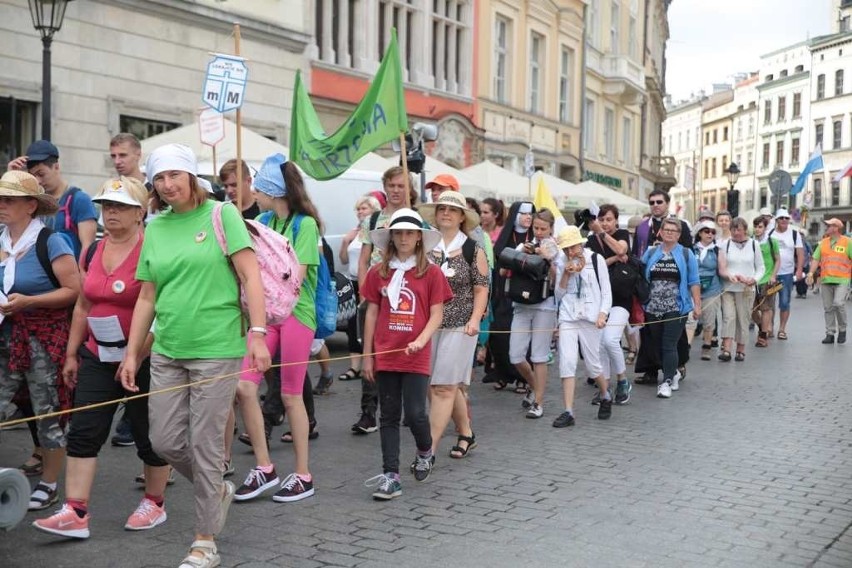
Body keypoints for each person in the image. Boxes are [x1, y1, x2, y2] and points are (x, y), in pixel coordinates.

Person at [120, 144, 271, 568]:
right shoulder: (156, 226)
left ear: (191, 177)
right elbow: (148, 295)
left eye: (175, 175)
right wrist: (133, 353)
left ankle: (204, 541)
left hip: (217, 348)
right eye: (160, 179)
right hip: (168, 348)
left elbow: (251, 275)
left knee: (206, 446)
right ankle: (216, 488)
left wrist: (257, 335)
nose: (168, 185)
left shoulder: (222, 215)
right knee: (164, 440)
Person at [33, 177, 172, 538]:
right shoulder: (91, 250)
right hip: (97, 353)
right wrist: (71, 354)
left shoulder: (154, 249)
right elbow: (83, 304)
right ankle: (75, 511)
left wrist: (138, 353)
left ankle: (154, 502)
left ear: (141, 212)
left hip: (144, 355)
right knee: (84, 429)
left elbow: (161, 309)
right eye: (106, 205)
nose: (110, 212)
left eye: (120, 206)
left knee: (148, 433)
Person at [235, 153, 321, 504]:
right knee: (244, 387)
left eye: (259, 187)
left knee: (290, 394)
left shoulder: (306, 225)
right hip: (267, 315)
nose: (253, 192)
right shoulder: (263, 220)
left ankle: (303, 475)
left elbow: (295, 279)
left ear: (274, 190)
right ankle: (265, 466)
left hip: (297, 314)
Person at [0, 171, 79, 509]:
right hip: (6, 335)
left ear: (31, 206)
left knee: (48, 411)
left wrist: (30, 301)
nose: (1, 205)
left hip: (43, 338)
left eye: (9, 200)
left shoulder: (51, 240)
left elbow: (74, 291)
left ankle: (49, 484)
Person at [361, 208, 452, 499]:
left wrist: (421, 339)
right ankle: (391, 476)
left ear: (419, 238)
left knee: (415, 413)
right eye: (398, 233)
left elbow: (437, 314)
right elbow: (372, 313)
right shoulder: (378, 273)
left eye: (409, 233)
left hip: (416, 354)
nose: (403, 238)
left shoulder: (432, 273)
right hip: (386, 352)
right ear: (390, 238)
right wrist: (367, 355)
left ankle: (425, 450)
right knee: (388, 414)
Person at [419, 191, 488, 459]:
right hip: (428, 324)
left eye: (452, 209)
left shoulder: (473, 249)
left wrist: (474, 320)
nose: (446, 213)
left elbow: (481, 290)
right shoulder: (424, 247)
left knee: (444, 386)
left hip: (461, 325)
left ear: (462, 217)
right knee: (435, 384)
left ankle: (428, 450)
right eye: (441, 209)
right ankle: (466, 432)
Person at [354, 166, 415, 435]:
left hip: (404, 296)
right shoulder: (373, 219)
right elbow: (364, 257)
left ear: (409, 188)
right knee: (370, 346)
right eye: (392, 185)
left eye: (401, 186)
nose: (396, 190)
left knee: (402, 347)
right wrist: (362, 287)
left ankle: (404, 406)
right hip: (377, 291)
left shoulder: (415, 218)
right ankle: (369, 411)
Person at [552, 225, 613, 428]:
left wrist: (603, 314)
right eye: (566, 248)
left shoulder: (596, 259)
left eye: (573, 247)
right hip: (568, 316)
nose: (570, 252)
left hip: (590, 317)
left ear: (581, 243)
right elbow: (558, 296)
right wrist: (566, 275)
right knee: (567, 362)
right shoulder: (561, 262)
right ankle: (568, 410)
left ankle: (605, 394)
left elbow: (606, 291)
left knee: (592, 364)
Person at [637, 218, 701, 399]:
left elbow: (694, 281)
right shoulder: (650, 253)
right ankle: (673, 373)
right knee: (656, 343)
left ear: (679, 235)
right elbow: (641, 276)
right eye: (667, 229)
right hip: (652, 306)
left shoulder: (687, 254)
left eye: (674, 230)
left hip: (676, 307)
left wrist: (697, 306)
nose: (670, 233)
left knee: (669, 344)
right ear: (661, 232)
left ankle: (665, 382)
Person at [507, 209, 559, 418]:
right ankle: (533, 385)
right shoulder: (524, 244)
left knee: (539, 356)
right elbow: (504, 269)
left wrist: (546, 258)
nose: (538, 232)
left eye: (543, 229)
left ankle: (538, 401)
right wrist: (518, 255)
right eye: (535, 228)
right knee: (515, 355)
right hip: (521, 304)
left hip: (544, 305)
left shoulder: (556, 248)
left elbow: (558, 279)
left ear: (551, 229)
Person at [7, 140, 97, 258]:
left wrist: (80, 274)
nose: (37, 181)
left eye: (41, 174)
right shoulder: (32, 203)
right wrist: (11, 178)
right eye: (32, 176)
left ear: (56, 167)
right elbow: (10, 231)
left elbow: (87, 249)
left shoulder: (79, 200)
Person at [586, 204, 633, 405]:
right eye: (601, 219)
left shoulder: (622, 233)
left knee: (610, 340)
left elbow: (622, 248)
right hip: (598, 299)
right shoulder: (589, 241)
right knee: (598, 345)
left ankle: (622, 380)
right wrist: (615, 258)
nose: (604, 223)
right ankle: (604, 388)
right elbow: (591, 266)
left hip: (621, 297)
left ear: (616, 220)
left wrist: (602, 235)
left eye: (608, 219)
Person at [486, 201, 535, 389]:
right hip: (505, 292)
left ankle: (523, 378)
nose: (528, 217)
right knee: (499, 332)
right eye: (523, 213)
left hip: (527, 293)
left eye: (530, 214)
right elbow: (500, 257)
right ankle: (502, 373)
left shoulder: (535, 236)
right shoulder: (507, 236)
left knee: (524, 337)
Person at [336, 194, 382, 383]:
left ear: (373, 210)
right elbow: (344, 260)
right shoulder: (354, 233)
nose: (360, 212)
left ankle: (371, 363)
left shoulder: (375, 229)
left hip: (368, 282)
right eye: (359, 209)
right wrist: (346, 241)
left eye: (365, 208)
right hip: (352, 281)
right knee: (353, 325)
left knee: (370, 324)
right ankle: (355, 367)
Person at [717, 217, 764, 362]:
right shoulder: (725, 245)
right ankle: (726, 349)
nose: (736, 232)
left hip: (746, 288)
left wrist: (753, 279)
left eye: (738, 229)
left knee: (743, 318)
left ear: (745, 229)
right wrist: (729, 275)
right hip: (729, 287)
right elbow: (722, 268)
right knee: (728, 317)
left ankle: (741, 350)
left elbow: (761, 267)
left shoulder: (754, 244)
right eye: (733, 229)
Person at [807, 218, 851, 344]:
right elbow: (816, 259)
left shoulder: (848, 242)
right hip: (826, 279)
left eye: (829, 225)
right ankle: (830, 333)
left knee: (838, 304)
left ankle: (842, 330)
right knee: (828, 308)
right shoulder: (823, 243)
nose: (826, 227)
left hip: (842, 279)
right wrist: (810, 273)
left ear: (836, 228)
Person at [768, 209, 804, 340]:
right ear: (776, 220)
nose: (784, 220)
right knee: (769, 302)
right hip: (771, 274)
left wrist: (799, 269)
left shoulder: (795, 234)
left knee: (784, 302)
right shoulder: (770, 233)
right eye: (781, 218)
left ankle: (782, 329)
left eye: (786, 218)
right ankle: (769, 327)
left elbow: (800, 253)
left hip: (787, 274)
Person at [693, 220, 722, 360]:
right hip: (692, 289)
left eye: (713, 232)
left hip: (712, 288)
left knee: (709, 319)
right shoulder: (691, 249)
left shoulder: (717, 250)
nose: (710, 234)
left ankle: (707, 346)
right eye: (706, 231)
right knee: (690, 319)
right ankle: (685, 346)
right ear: (700, 233)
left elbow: (722, 269)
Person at [632, 189, 692, 257]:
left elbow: (689, 253)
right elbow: (635, 253)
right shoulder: (641, 227)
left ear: (667, 204)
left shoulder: (681, 225)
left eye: (659, 202)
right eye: (652, 203)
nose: (655, 205)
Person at [752, 217, 780, 348]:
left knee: (766, 309)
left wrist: (773, 276)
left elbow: (777, 260)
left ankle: (763, 335)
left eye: (760, 227)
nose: (757, 229)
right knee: (750, 309)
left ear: (765, 228)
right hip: (752, 280)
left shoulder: (771, 242)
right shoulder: (750, 242)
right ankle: (761, 325)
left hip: (767, 279)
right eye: (756, 226)